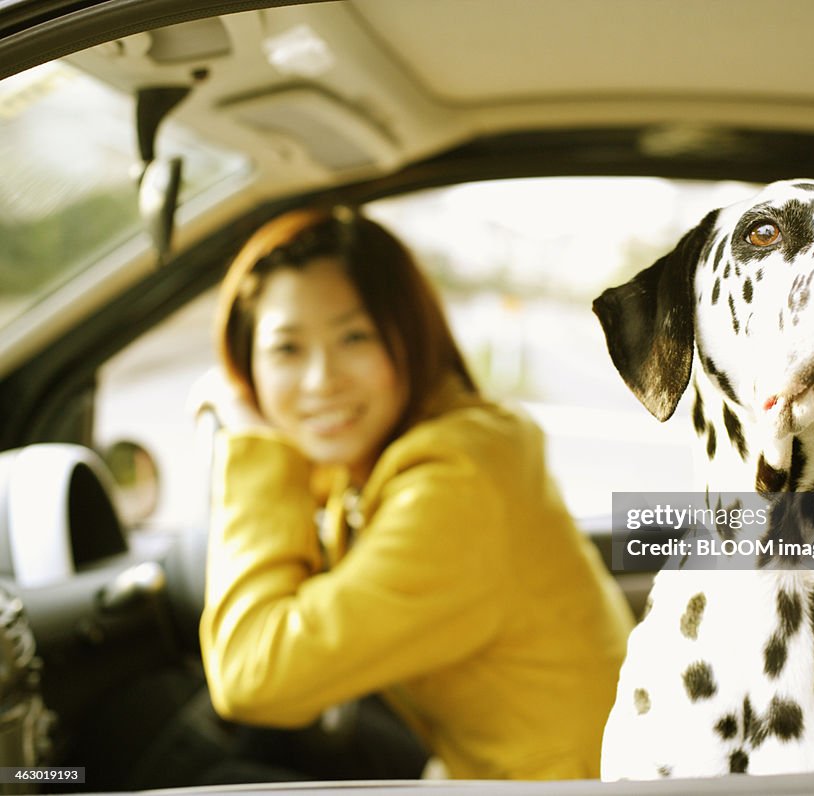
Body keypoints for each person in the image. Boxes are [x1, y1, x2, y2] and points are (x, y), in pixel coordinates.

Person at [198, 207, 634, 780]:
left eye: (354, 337)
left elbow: (252, 676)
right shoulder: (387, 458)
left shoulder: (457, 479)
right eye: (287, 349)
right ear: (247, 366)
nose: (320, 380)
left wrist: (254, 445)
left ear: (408, 334)